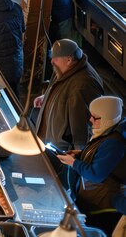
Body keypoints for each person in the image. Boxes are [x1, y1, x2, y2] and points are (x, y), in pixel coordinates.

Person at [57, 96, 126, 236]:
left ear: (107, 118)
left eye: (95, 117)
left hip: (104, 208)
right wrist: (81, 154)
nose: (90, 120)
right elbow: (100, 156)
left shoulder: (114, 143)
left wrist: (73, 162)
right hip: (92, 201)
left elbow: (96, 174)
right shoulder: (107, 133)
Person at [35, 39, 104, 151]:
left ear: (68, 59)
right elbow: (59, 87)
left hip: (62, 151)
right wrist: (47, 97)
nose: (52, 61)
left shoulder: (83, 85)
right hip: (48, 142)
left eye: (55, 58)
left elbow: (83, 126)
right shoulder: (63, 68)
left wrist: (77, 153)